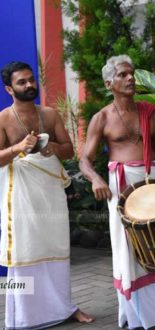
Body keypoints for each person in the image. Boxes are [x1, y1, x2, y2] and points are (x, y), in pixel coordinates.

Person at [79, 55, 155, 330]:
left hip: (154, 183)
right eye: (123, 75)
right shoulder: (102, 118)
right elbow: (85, 158)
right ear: (110, 83)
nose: (130, 78)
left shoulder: (149, 111)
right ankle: (136, 314)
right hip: (123, 187)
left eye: (131, 73)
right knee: (129, 248)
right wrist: (96, 179)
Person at [0, 61, 94, 329]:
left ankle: (64, 307)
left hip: (50, 193)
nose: (30, 85)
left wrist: (51, 147)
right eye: (22, 82)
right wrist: (19, 147)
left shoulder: (50, 114)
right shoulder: (3, 119)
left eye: (31, 80)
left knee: (56, 247)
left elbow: (68, 150)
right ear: (9, 88)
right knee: (24, 250)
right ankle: (24, 315)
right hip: (21, 195)